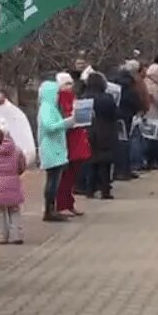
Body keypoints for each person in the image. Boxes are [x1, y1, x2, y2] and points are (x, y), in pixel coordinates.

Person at [37, 78, 74, 222]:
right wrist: (67, 122)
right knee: (52, 180)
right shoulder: (47, 107)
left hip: (55, 148)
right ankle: (49, 210)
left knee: (55, 180)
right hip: (51, 148)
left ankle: (51, 208)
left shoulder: (50, 107)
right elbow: (49, 126)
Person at [0, 123, 26, 244]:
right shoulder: (17, 150)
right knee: (14, 210)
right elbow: (22, 166)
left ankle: (2, 236)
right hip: (13, 183)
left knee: (0, 212)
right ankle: (17, 235)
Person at [55, 72, 89, 217]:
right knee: (65, 176)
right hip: (68, 141)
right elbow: (63, 120)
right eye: (66, 84)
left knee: (71, 176)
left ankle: (69, 203)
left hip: (77, 139)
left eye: (70, 84)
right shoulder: (58, 101)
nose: (69, 87)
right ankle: (62, 204)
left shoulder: (73, 98)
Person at [83, 71, 118, 200]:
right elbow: (114, 114)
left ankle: (90, 189)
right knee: (105, 163)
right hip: (105, 131)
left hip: (88, 131)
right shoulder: (107, 98)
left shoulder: (83, 98)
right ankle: (105, 190)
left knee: (91, 162)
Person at [112, 61, 142, 181]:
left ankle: (118, 170)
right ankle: (124, 170)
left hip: (116, 116)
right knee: (126, 143)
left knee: (118, 143)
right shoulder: (130, 87)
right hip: (127, 117)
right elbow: (135, 101)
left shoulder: (114, 86)